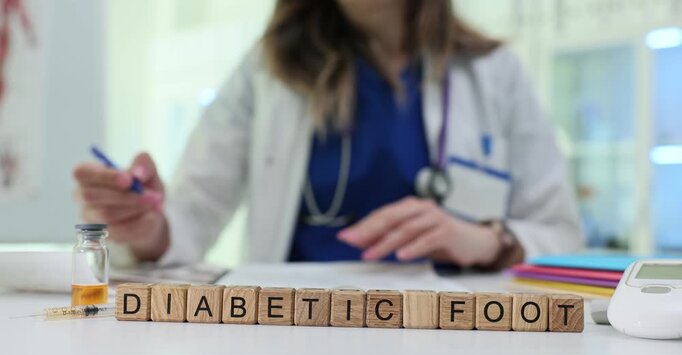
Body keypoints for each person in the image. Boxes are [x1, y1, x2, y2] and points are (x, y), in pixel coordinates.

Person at [73, 0, 583, 269]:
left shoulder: (493, 72)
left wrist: (486, 241)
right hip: (297, 328)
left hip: (450, 331)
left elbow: (561, 235)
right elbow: (190, 216)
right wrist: (147, 230)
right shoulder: (267, 68)